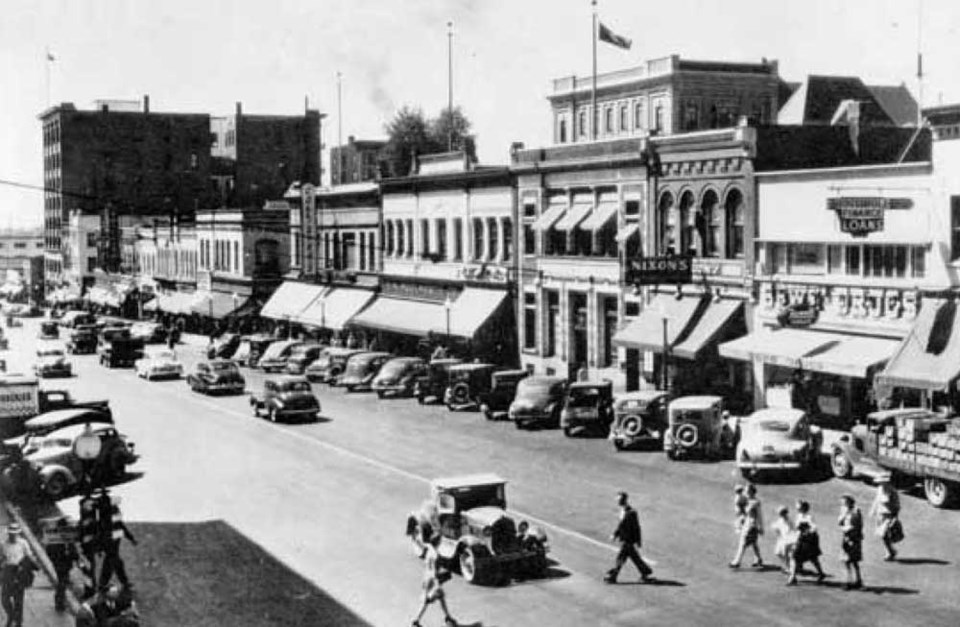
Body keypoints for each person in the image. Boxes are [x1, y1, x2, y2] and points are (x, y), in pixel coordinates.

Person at [410, 531, 458, 627]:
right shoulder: (436, 555)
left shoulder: (430, 550)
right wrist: (437, 584)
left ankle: (447, 617)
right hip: (432, 580)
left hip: (427, 577)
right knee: (427, 600)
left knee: (440, 597)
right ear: (438, 542)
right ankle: (415, 621)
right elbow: (434, 573)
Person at [604, 492, 653, 584]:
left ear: (624, 500)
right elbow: (621, 525)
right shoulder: (622, 511)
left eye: (620, 500)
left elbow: (637, 527)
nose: (618, 502)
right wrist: (615, 534)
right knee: (634, 558)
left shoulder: (631, 512)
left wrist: (638, 541)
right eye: (617, 500)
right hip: (624, 539)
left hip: (628, 540)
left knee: (620, 558)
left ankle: (612, 576)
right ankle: (645, 572)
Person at [97, 494, 137, 591]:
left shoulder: (103, 514)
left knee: (112, 563)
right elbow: (121, 526)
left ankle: (105, 584)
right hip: (112, 541)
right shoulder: (110, 513)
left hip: (111, 541)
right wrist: (131, 538)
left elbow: (119, 526)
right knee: (114, 563)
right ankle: (118, 583)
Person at [0, 523, 35, 627]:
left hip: (20, 572)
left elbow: (29, 557)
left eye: (14, 534)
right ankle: (11, 616)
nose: (12, 535)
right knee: (5, 599)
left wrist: (25, 566)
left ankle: (18, 623)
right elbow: (1, 558)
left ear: (18, 534)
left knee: (18, 600)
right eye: (11, 534)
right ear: (8, 534)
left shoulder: (23, 543)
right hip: (8, 571)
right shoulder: (3, 544)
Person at [46, 518, 81, 612]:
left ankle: (60, 601)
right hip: (60, 563)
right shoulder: (55, 538)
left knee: (63, 581)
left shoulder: (66, 535)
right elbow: (49, 550)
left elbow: (72, 547)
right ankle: (59, 603)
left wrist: (76, 558)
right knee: (62, 581)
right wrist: (56, 559)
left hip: (66, 563)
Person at [729, 484, 764, 569]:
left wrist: (761, 526)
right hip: (747, 523)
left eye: (747, 490)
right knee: (753, 542)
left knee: (743, 543)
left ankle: (737, 561)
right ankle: (758, 559)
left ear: (751, 491)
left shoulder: (755, 502)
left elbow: (759, 515)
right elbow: (739, 500)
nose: (745, 492)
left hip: (752, 525)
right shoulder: (747, 499)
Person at [870, 475, 902, 561]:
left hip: (889, 515)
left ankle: (890, 552)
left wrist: (895, 517)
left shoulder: (892, 491)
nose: (881, 483)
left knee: (884, 534)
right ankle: (890, 551)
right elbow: (877, 500)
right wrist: (873, 510)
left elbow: (897, 505)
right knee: (882, 535)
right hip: (880, 515)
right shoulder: (880, 489)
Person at [793, 500, 826, 583]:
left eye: (799, 507)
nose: (797, 509)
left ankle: (821, 573)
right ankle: (793, 576)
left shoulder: (809, 517)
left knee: (812, 557)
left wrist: (807, 532)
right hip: (802, 539)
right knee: (795, 556)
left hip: (809, 540)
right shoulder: (799, 516)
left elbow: (814, 527)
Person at [838, 494, 864, 590]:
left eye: (844, 503)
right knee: (846, 561)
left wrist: (850, 531)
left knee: (854, 561)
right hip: (846, 537)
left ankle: (858, 581)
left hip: (854, 538)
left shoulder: (856, 511)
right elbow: (839, 522)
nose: (843, 504)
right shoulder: (843, 510)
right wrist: (843, 517)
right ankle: (848, 581)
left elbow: (858, 525)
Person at [770, 506, 796, 579]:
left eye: (780, 513)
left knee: (787, 555)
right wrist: (775, 527)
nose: (779, 514)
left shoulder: (788, 520)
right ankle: (788, 567)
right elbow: (778, 526)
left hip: (788, 540)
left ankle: (789, 569)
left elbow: (791, 530)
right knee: (778, 553)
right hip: (782, 539)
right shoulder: (781, 519)